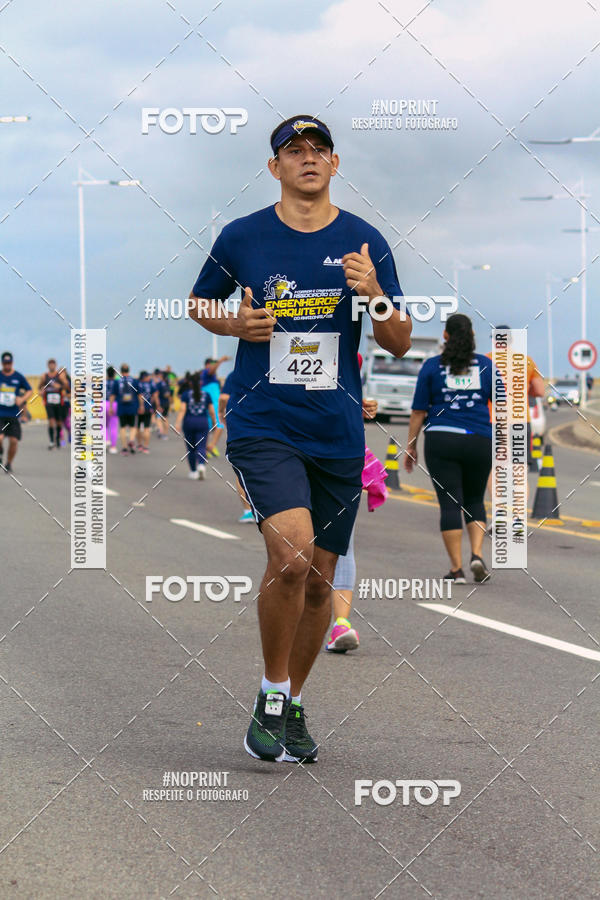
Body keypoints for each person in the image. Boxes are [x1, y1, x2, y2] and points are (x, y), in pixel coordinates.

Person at [189, 114, 411, 763]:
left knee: (320, 581)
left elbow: (398, 340)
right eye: (294, 150)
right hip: (264, 421)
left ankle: (291, 702)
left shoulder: (364, 241)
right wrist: (235, 325)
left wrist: (374, 294)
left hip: (335, 430)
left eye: (319, 149)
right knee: (291, 557)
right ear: (275, 167)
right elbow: (199, 302)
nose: (308, 157)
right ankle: (270, 692)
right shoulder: (242, 236)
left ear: (335, 164)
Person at [404, 313, 493, 584]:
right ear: (472, 335)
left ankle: (456, 570)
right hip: (479, 439)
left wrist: (411, 446)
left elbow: (418, 411)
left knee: (450, 504)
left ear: (445, 335)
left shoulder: (432, 366)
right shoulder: (486, 366)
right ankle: (477, 554)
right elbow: (502, 405)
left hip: (442, 439)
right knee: (475, 499)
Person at [220, 370, 254, 522]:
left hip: (243, 424)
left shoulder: (236, 373)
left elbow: (223, 397)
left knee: (242, 470)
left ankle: (248, 510)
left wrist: (221, 411)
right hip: (271, 425)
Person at [174, 370, 215, 479]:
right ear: (201, 383)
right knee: (201, 446)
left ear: (190, 383)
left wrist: (177, 423)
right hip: (203, 422)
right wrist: (214, 422)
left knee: (191, 448)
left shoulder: (186, 394)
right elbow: (211, 411)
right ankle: (201, 465)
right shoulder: (206, 395)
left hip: (189, 422)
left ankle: (193, 471)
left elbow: (182, 410)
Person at [0, 351, 33, 474]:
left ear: (12, 363)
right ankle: (1, 451)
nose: (7, 365)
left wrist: (22, 399)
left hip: (13, 415)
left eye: (9, 363)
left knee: (14, 441)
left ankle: (8, 463)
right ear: (2, 363)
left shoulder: (18, 377)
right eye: (5, 363)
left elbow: (29, 390)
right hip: (0, 414)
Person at [39, 359, 69, 450]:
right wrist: (41, 390)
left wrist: (60, 386)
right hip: (49, 402)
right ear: (48, 365)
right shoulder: (44, 376)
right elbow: (40, 387)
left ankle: (58, 438)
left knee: (59, 422)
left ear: (55, 365)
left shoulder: (60, 375)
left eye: (53, 364)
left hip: (59, 402)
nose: (51, 366)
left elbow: (67, 386)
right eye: (50, 364)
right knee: (51, 421)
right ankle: (51, 441)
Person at [111, 364, 139, 454]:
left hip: (121, 406)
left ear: (121, 371)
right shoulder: (134, 381)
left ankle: (124, 447)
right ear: (129, 370)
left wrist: (111, 406)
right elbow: (140, 395)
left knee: (122, 427)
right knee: (133, 426)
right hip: (132, 406)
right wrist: (141, 406)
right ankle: (131, 440)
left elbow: (112, 395)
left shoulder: (117, 382)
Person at [137, 371, 158, 453]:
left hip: (139, 409)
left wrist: (141, 405)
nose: (149, 378)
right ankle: (145, 447)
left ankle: (139, 445)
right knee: (146, 428)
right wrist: (152, 403)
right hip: (148, 408)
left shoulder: (138, 384)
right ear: (144, 377)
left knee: (138, 427)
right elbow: (155, 395)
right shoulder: (150, 385)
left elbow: (139, 396)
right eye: (148, 376)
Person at [105, 365, 119, 454]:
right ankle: (113, 447)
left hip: (103, 403)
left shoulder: (103, 382)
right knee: (113, 426)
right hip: (114, 404)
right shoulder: (117, 383)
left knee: (103, 425)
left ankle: (106, 440)